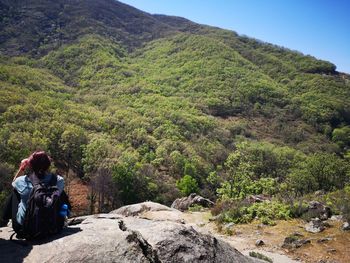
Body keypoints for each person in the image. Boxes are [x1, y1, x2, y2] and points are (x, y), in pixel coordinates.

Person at [1, 151, 68, 239]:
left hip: (25, 229)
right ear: (48, 164)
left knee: (15, 192)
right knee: (60, 192)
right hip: (54, 227)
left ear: (30, 165)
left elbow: (14, 182)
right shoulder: (59, 180)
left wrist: (22, 168)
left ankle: (6, 217)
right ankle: (63, 218)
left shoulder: (22, 181)